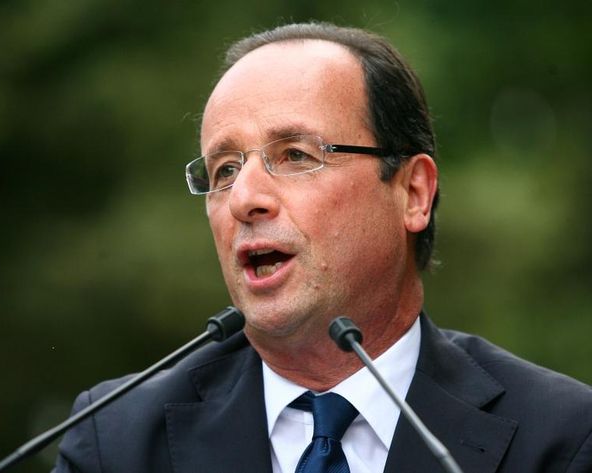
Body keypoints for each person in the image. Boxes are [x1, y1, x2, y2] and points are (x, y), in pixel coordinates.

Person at [53, 22, 592, 472]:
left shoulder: (562, 438)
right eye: (225, 170)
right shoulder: (114, 443)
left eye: (295, 155)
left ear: (413, 193)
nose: (244, 199)